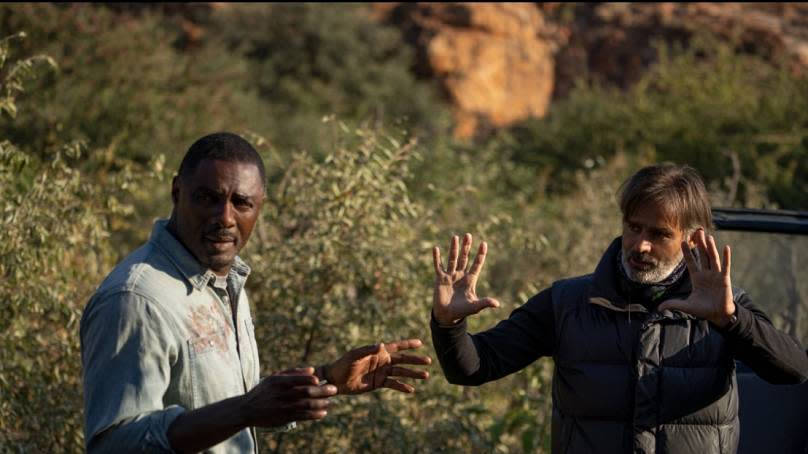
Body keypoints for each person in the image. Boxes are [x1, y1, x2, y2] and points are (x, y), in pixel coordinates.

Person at [81, 132, 431, 453]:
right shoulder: (136, 300)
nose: (225, 217)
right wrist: (245, 410)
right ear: (177, 193)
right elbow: (114, 444)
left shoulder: (223, 280)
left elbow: (214, 396)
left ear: (259, 206)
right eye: (208, 199)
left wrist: (326, 378)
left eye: (242, 203)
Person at [429, 164, 808, 453]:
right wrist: (450, 323)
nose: (640, 245)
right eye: (633, 227)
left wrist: (731, 321)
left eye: (659, 234)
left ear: (693, 239)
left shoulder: (724, 308)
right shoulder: (567, 303)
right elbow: (473, 368)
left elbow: (794, 371)